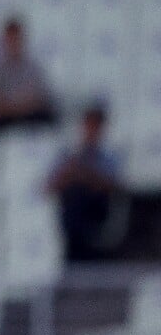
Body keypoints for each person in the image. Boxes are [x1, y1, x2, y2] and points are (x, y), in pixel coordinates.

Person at [46, 104, 126, 261]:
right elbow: (50, 186)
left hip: (97, 211)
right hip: (72, 219)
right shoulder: (68, 155)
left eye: (96, 125)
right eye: (89, 124)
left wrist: (81, 174)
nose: (91, 130)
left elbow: (112, 187)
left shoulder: (111, 156)